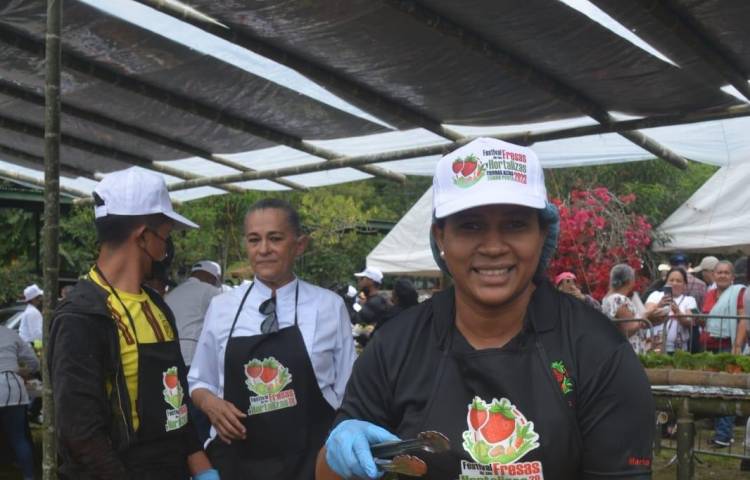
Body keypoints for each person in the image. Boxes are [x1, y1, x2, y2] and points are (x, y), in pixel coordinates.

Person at [317, 138, 654, 480]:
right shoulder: (395, 346)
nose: (493, 247)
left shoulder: (596, 350)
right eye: (470, 225)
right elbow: (327, 473)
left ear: (542, 233)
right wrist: (340, 450)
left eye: (515, 224)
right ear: (440, 237)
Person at [48, 167, 218, 480]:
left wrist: (203, 468)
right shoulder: (81, 316)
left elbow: (176, 404)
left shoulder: (157, 307)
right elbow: (81, 434)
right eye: (165, 237)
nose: (166, 249)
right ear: (142, 237)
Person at [188, 198, 357, 479]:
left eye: (275, 238)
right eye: (254, 240)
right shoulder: (222, 308)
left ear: (299, 244)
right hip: (237, 463)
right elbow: (198, 381)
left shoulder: (329, 306)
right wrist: (210, 403)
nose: (264, 249)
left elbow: (349, 389)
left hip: (310, 463)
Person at [166, 261, 223, 442]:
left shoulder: (172, 293)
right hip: (192, 361)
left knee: (177, 413)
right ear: (213, 277)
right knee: (198, 416)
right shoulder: (209, 291)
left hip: (170, 362)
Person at [700, 260, 746, 448]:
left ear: (733, 276)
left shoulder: (739, 292)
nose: (722, 275)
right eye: (719, 272)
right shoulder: (710, 294)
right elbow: (706, 320)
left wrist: (737, 345)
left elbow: (743, 318)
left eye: (727, 272)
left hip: (729, 346)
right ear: (713, 275)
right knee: (715, 389)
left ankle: (723, 436)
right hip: (710, 347)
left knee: (727, 389)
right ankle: (722, 433)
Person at [0, 323, 39, 480]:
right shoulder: (10, 333)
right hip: (13, 388)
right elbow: (34, 362)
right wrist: (24, 371)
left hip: (10, 387)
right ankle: (29, 476)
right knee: (19, 438)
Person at [644, 268, 697, 354]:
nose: (674, 283)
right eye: (671, 280)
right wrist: (659, 305)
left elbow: (690, 321)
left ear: (685, 285)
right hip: (654, 345)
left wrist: (677, 312)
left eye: (678, 281)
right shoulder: (655, 295)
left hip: (679, 350)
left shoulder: (690, 300)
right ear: (666, 283)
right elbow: (646, 314)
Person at [602, 264, 648, 353]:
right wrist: (645, 315)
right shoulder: (619, 299)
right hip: (629, 351)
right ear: (629, 281)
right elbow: (628, 329)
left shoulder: (607, 298)